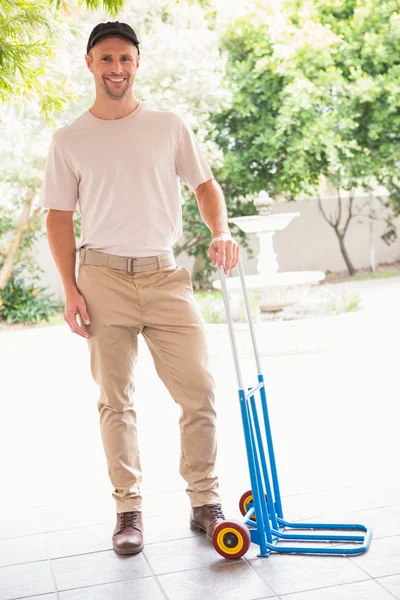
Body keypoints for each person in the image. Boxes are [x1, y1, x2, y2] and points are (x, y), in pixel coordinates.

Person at [39, 21, 240, 555]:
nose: (117, 69)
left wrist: (220, 230)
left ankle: (205, 501)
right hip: (101, 277)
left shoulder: (168, 126)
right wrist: (70, 288)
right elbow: (58, 218)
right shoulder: (69, 140)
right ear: (90, 64)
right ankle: (128, 511)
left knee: (199, 390)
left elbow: (205, 185)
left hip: (164, 273)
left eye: (125, 59)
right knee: (116, 400)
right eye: (106, 59)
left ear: (137, 63)